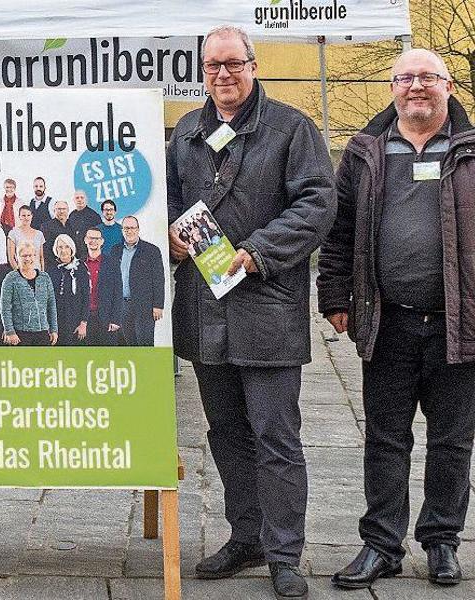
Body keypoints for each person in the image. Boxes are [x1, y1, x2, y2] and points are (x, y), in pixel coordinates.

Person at [166, 26, 335, 600]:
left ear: (253, 65)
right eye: (212, 66)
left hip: (267, 307)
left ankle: (285, 553)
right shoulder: (188, 129)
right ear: (202, 71)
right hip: (205, 308)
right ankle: (247, 536)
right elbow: (166, 195)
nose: (223, 75)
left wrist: (258, 252)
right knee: (226, 433)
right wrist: (169, 233)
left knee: (276, 436)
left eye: (233, 64)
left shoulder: (293, 129)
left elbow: (317, 203)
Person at [318, 49, 475, 590]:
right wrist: (336, 297)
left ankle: (441, 542)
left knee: (452, 440)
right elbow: (338, 234)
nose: (416, 87)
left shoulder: (471, 151)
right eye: (405, 78)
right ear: (392, 87)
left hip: (459, 324)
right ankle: (381, 544)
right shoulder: (365, 153)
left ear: (448, 86)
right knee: (385, 439)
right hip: (388, 323)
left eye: (427, 78)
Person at [97, 216, 165, 347]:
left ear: (138, 229)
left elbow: (158, 279)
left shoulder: (151, 251)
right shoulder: (115, 250)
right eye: (126, 228)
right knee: (129, 344)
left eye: (132, 228)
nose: (129, 231)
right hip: (122, 306)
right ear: (122, 230)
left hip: (144, 306)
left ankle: (146, 367)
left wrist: (158, 305)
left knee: (144, 343)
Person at [0, 242, 57, 346]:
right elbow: (5, 307)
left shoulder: (45, 277)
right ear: (17, 257)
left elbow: (51, 305)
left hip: (42, 332)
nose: (28, 259)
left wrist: (54, 329)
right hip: (20, 334)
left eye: (30, 255)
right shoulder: (10, 278)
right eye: (24, 256)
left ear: (35, 256)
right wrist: (10, 331)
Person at [47, 234, 90, 346]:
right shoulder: (51, 270)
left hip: (76, 323)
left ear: (72, 248)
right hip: (57, 324)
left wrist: (83, 323)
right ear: (56, 249)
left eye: (66, 247)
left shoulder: (80, 268)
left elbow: (86, 297)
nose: (63, 250)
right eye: (60, 247)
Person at [81, 227, 109, 345]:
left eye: (97, 238)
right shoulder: (79, 263)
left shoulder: (111, 263)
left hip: (105, 316)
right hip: (84, 317)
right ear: (85, 240)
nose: (93, 241)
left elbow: (117, 292)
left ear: (102, 241)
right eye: (90, 238)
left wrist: (116, 319)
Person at [8, 205, 45, 270]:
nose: (26, 218)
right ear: (19, 217)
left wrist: (42, 273)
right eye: (23, 215)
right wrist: (19, 273)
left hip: (37, 271)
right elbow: (11, 257)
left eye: (28, 215)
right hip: (21, 272)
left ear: (32, 216)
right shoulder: (13, 233)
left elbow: (41, 257)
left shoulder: (39, 234)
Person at [40, 199, 73, 267]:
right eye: (59, 209)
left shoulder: (74, 225)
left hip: (72, 264)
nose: (61, 211)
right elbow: (45, 250)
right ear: (54, 211)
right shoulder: (46, 227)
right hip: (54, 265)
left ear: (68, 210)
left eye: (64, 209)